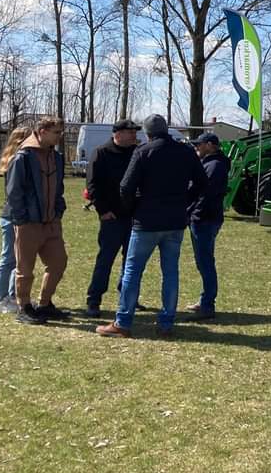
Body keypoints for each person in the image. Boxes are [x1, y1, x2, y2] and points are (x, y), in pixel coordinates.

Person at [97, 114, 206, 338]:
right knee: (170, 273)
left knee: (132, 271)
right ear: (167, 130)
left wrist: (133, 207)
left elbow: (125, 187)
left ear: (147, 133)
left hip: (146, 222)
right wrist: (185, 202)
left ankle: (123, 322)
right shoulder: (186, 151)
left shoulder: (143, 152)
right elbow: (202, 183)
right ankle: (166, 323)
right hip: (175, 222)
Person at [3, 117, 68, 325]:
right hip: (28, 223)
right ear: (42, 131)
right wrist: (21, 220)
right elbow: (14, 192)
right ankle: (24, 307)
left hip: (51, 223)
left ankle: (45, 304)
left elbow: (59, 188)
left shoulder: (56, 157)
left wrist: (58, 210)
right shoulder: (23, 157)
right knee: (25, 268)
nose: (60, 136)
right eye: (56, 132)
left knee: (58, 262)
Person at [82, 119, 142, 318]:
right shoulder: (102, 152)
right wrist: (103, 211)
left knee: (131, 262)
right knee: (105, 260)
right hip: (112, 217)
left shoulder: (137, 152)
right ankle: (94, 300)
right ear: (117, 133)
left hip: (134, 217)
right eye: (130, 132)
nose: (134, 135)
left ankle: (127, 297)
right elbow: (92, 184)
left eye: (135, 132)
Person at [185, 132, 230, 320]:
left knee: (205, 262)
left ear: (210, 145)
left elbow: (206, 194)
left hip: (204, 219)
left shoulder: (215, 165)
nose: (197, 147)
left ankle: (207, 305)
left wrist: (193, 214)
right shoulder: (212, 163)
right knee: (204, 261)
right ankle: (205, 300)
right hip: (207, 217)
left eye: (200, 145)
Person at [0, 126, 29, 314]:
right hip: (11, 216)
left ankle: (13, 296)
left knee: (18, 259)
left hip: (15, 215)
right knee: (8, 258)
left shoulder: (18, 160)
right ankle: (0, 299)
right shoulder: (16, 160)